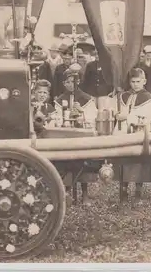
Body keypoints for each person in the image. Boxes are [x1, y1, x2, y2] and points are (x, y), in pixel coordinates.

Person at [55, 69, 98, 205]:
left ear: (78, 82)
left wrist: (82, 114)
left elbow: (93, 117)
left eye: (73, 82)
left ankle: (84, 194)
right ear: (63, 83)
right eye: (67, 82)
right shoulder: (59, 100)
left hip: (82, 134)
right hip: (66, 135)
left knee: (83, 161)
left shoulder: (86, 99)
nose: (70, 85)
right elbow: (56, 118)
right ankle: (66, 192)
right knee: (66, 161)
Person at [114, 68, 151, 204]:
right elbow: (118, 111)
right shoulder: (123, 96)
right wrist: (117, 115)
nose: (135, 84)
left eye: (138, 81)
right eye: (133, 82)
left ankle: (138, 192)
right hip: (124, 132)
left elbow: (147, 116)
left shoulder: (148, 98)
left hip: (139, 132)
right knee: (124, 160)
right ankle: (124, 190)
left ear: (144, 81)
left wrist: (128, 117)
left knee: (139, 162)